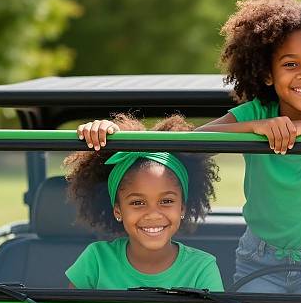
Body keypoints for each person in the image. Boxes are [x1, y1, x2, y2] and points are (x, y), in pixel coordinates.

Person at [76, 0, 301, 295]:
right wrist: (258, 126)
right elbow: (194, 140)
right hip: (259, 258)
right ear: (267, 73)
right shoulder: (256, 111)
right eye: (290, 64)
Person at [65, 114, 223, 291]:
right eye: (138, 203)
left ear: (182, 207)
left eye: (166, 201)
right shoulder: (96, 260)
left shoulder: (201, 268)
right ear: (117, 210)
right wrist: (102, 134)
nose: (153, 214)